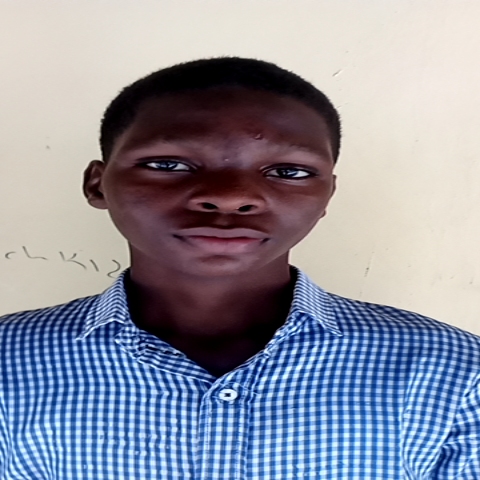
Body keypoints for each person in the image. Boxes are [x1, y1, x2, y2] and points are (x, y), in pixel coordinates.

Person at [0, 57, 479, 479]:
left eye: (288, 172)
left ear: (327, 196)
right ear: (98, 184)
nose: (230, 196)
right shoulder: (9, 365)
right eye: (169, 164)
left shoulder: (453, 373)